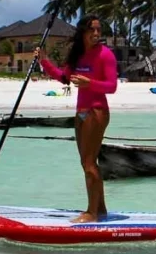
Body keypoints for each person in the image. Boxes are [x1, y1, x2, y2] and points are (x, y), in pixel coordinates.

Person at [33, 15, 118, 223]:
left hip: (97, 111)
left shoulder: (105, 55)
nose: (97, 34)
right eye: (92, 30)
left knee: (90, 163)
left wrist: (90, 84)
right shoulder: (78, 55)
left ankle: (92, 213)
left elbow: (112, 86)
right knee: (86, 163)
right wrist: (44, 60)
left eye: (99, 30)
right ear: (83, 32)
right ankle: (101, 209)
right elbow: (64, 78)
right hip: (80, 111)